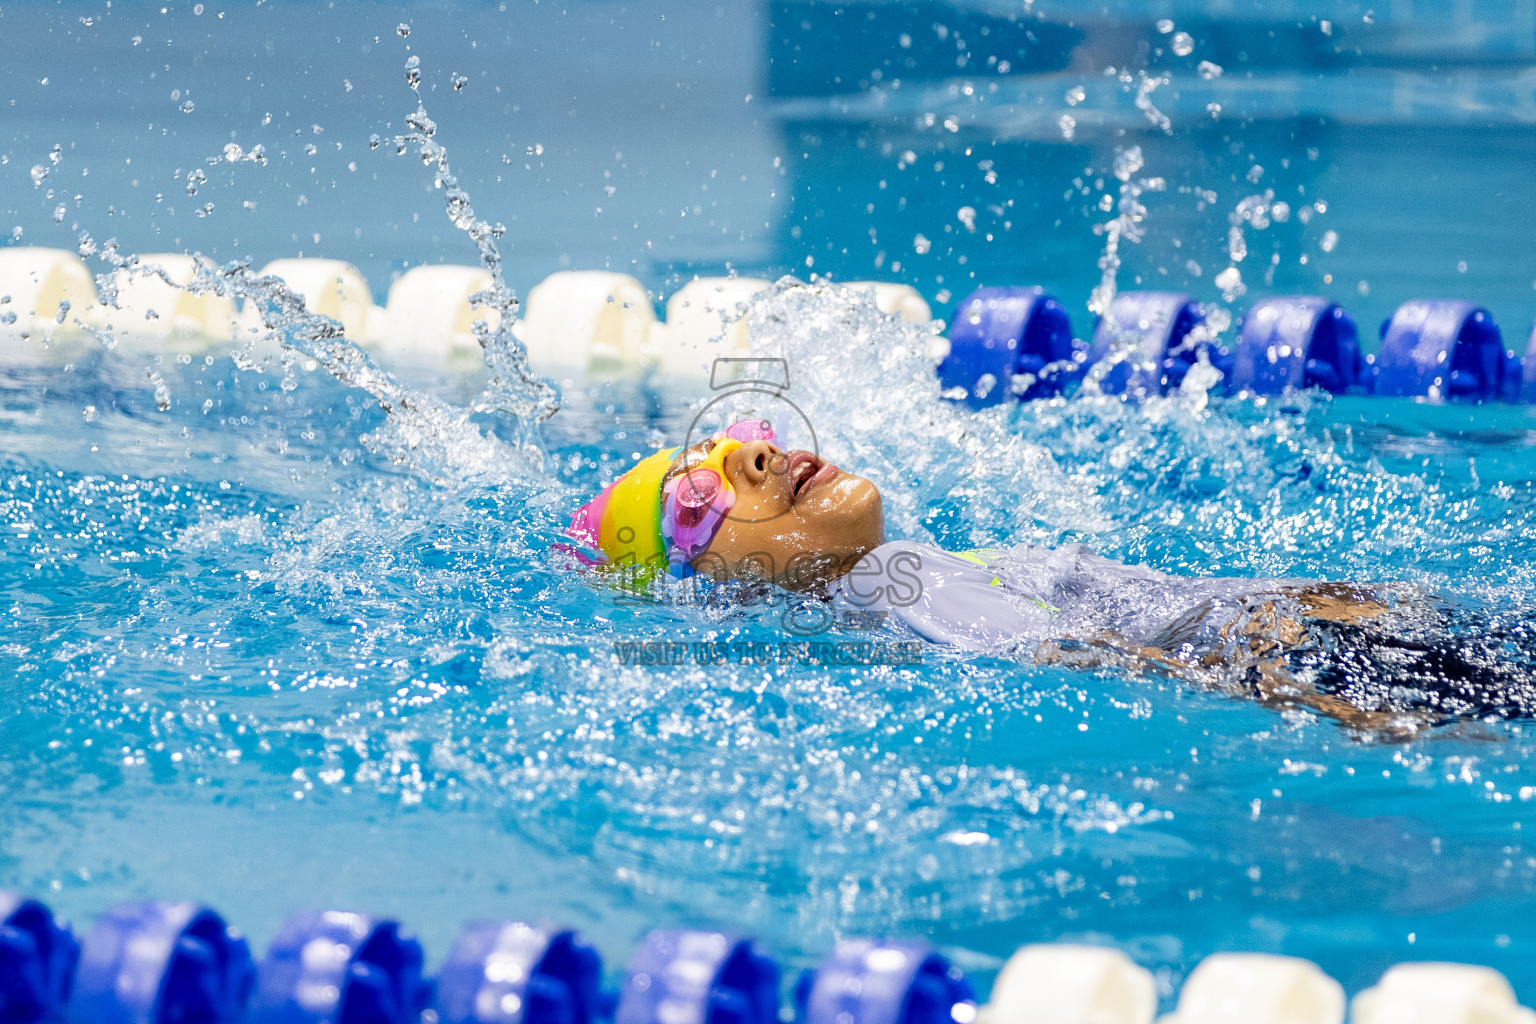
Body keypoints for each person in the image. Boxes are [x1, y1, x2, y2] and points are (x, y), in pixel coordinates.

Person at [566, 420, 1533, 734]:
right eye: (707, 493)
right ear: (726, 585)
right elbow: (1072, 651)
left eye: (754, 441)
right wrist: (1321, 701)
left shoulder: (912, 571)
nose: (762, 458)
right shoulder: (891, 580)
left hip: (1330, 638)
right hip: (1329, 667)